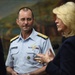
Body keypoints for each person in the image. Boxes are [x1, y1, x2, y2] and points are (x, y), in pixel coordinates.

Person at [5, 7, 55, 75]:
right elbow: (8, 66)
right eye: (22, 19)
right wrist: (12, 72)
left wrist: (31, 74)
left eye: (29, 19)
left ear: (33, 20)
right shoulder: (13, 42)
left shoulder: (43, 40)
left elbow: (51, 65)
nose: (26, 23)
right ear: (17, 22)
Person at [36, 2, 75, 75]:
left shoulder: (69, 44)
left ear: (68, 19)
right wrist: (54, 60)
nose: (56, 21)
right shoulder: (70, 40)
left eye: (59, 18)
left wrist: (48, 61)